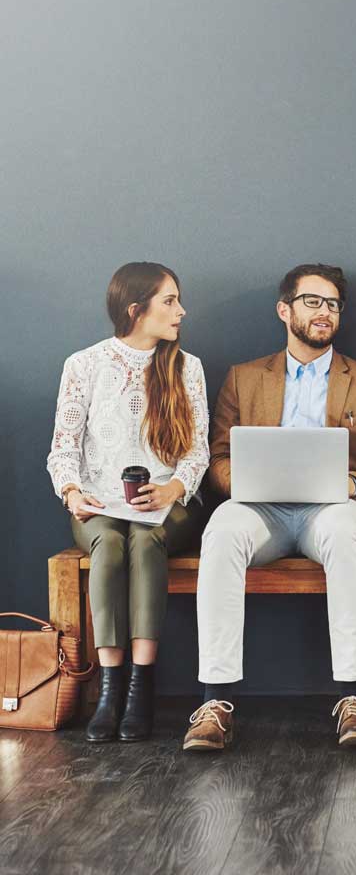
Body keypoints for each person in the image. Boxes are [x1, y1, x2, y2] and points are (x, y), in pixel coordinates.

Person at [182, 264, 356, 752]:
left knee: (348, 533)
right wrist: (243, 480)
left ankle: (355, 698)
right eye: (313, 302)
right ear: (285, 310)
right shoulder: (243, 378)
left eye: (333, 305)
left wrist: (352, 486)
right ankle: (214, 701)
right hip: (263, 510)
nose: (325, 312)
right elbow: (218, 458)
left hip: (332, 509)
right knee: (220, 529)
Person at [47, 262, 209, 742]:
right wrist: (73, 492)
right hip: (99, 503)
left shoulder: (186, 367)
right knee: (111, 546)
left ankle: (141, 684)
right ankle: (109, 687)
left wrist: (173, 488)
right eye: (169, 301)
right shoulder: (84, 365)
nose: (181, 311)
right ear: (136, 310)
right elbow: (63, 448)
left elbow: (197, 450)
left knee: (145, 540)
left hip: (170, 502)